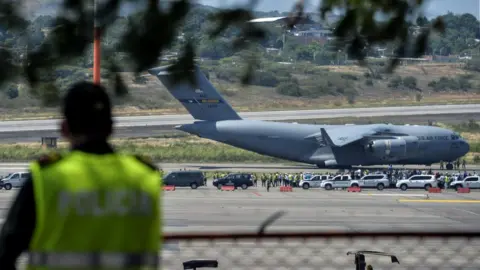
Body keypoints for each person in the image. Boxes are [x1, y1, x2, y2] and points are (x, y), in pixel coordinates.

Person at [0, 82, 162, 269]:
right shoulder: (144, 176)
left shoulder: (48, 178)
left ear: (64, 128)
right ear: (111, 128)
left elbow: (6, 252)